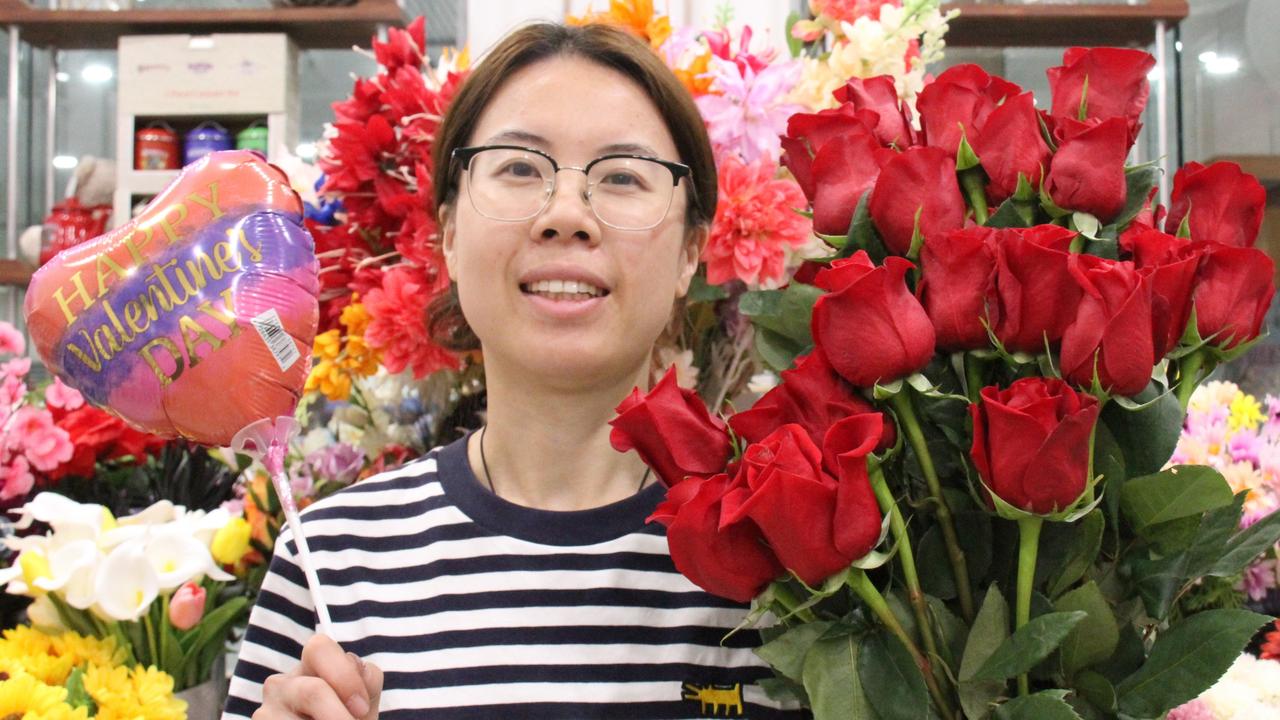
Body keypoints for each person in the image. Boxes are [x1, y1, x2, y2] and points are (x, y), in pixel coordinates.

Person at [223, 21, 803, 720]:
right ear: (450, 235)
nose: (566, 215)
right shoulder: (333, 566)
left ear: (690, 253)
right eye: (520, 168)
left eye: (621, 177)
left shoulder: (785, 563)